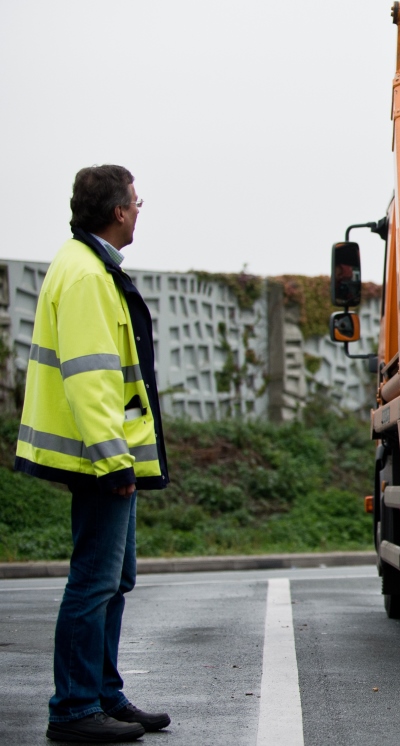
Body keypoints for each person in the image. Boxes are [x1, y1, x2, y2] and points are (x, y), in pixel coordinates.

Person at [16, 165, 172, 742]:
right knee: (94, 581)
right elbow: (91, 379)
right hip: (99, 459)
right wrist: (113, 460)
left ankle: (104, 695)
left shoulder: (91, 267)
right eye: (135, 200)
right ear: (119, 212)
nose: (139, 206)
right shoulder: (85, 276)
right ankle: (76, 708)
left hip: (105, 455)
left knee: (115, 579)